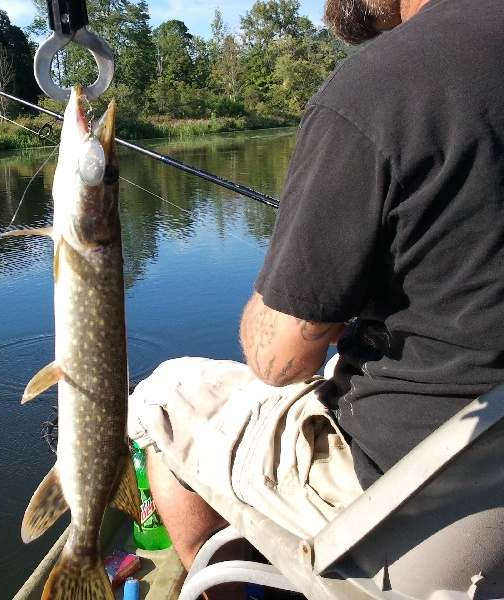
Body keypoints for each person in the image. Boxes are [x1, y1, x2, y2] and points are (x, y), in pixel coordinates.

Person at [127, 0, 504, 596]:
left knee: (163, 396)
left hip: (402, 512)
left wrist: (299, 287)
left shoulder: (379, 86)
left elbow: (278, 362)